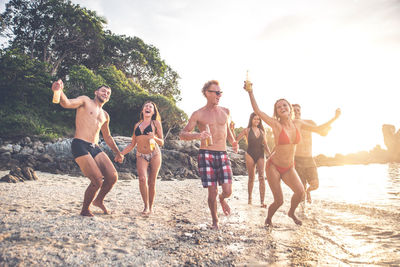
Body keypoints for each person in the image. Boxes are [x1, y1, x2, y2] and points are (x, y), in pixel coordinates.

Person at [244, 81, 334, 227]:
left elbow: (319, 129)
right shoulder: (275, 124)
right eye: (278, 107)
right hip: (274, 166)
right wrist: (250, 92)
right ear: (276, 111)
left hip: (289, 167)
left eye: (285, 105)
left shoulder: (298, 123)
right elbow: (258, 110)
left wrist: (335, 118)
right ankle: (268, 219)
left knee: (300, 193)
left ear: (290, 108)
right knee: (279, 201)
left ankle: (291, 212)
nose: (282, 107)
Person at [51, 80, 124, 217]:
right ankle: (85, 209)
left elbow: (107, 137)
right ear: (96, 92)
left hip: (95, 146)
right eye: (103, 91)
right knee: (97, 180)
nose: (105, 94)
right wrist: (58, 91)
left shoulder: (105, 115)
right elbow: (66, 103)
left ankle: (98, 200)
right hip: (80, 144)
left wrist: (118, 152)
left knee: (113, 176)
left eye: (108, 93)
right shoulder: (85, 101)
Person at [179, 80, 239, 229]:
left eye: (220, 92)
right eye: (216, 92)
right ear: (207, 93)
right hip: (206, 154)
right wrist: (198, 136)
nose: (219, 95)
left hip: (223, 153)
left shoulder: (226, 111)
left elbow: (227, 130)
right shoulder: (198, 114)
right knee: (212, 191)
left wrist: (233, 141)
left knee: (227, 190)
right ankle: (215, 220)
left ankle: (222, 199)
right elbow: (183, 134)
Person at [120, 101, 164, 215]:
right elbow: (132, 144)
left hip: (155, 154)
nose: (148, 108)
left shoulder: (156, 123)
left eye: (151, 107)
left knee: (152, 182)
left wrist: (153, 137)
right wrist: (121, 153)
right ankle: (146, 206)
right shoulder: (137, 125)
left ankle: (151, 206)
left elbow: (162, 142)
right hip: (141, 155)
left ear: (153, 111)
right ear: (143, 110)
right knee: (142, 179)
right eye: (146, 106)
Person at [292, 104, 341, 203]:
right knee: (301, 189)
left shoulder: (309, 122)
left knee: (315, 185)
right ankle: (302, 213)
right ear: (290, 112)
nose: (297, 112)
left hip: (309, 159)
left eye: (298, 110)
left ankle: (308, 192)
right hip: (297, 159)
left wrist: (331, 122)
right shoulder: (290, 125)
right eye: (294, 110)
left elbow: (322, 133)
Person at [235, 113, 271, 207]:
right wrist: (231, 128)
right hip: (250, 154)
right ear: (251, 120)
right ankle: (250, 199)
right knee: (251, 178)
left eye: (258, 120)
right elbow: (236, 139)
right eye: (255, 119)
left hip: (260, 154)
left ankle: (262, 201)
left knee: (262, 177)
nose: (257, 121)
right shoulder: (247, 130)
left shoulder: (262, 131)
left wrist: (270, 155)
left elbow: (266, 145)